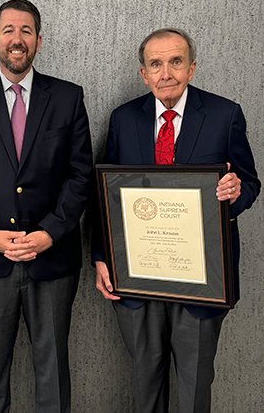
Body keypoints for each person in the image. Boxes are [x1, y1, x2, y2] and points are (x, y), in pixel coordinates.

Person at [93, 28, 260, 412]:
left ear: (192, 67)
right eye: (156, 64)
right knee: (145, 382)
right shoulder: (123, 119)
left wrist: (236, 192)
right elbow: (105, 196)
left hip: (201, 280)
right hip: (137, 276)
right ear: (143, 73)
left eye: (175, 61)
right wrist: (102, 256)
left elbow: (249, 182)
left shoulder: (224, 114)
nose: (165, 72)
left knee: (194, 384)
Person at [0, 0, 93, 412]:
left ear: (39, 41)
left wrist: (50, 233)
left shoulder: (67, 97)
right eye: (8, 30)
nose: (17, 39)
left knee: (53, 374)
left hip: (53, 260)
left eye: (26, 31)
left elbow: (80, 176)